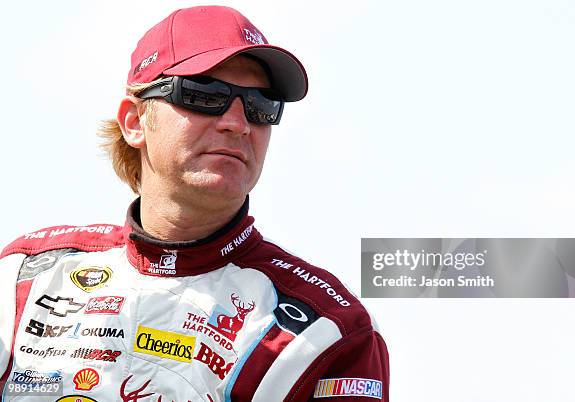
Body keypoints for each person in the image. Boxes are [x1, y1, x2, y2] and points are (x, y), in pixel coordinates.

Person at [0, 6, 389, 401]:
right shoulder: (22, 278)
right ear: (134, 122)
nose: (237, 123)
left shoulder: (328, 331)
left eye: (261, 106)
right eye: (205, 95)